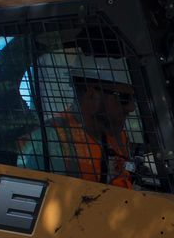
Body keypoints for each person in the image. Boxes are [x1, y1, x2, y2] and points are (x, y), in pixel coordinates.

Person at [19, 53, 137, 187]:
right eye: (123, 98)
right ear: (92, 95)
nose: (131, 107)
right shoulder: (47, 142)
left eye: (134, 98)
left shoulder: (117, 134)